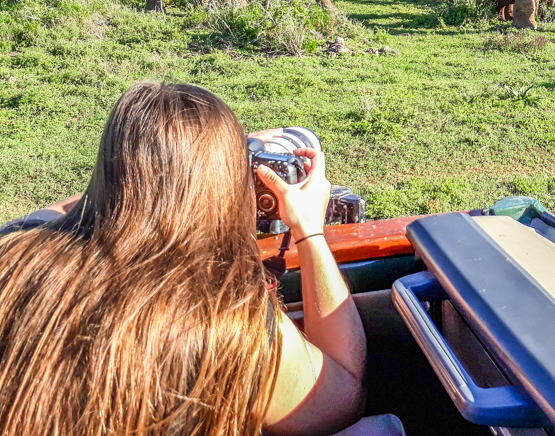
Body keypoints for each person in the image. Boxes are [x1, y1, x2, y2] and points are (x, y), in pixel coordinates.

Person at [0, 81, 403, 436]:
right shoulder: (230, 318)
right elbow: (342, 402)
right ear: (224, 186)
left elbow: (53, 214)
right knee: (378, 430)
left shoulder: (14, 260)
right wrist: (308, 231)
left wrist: (136, 183)